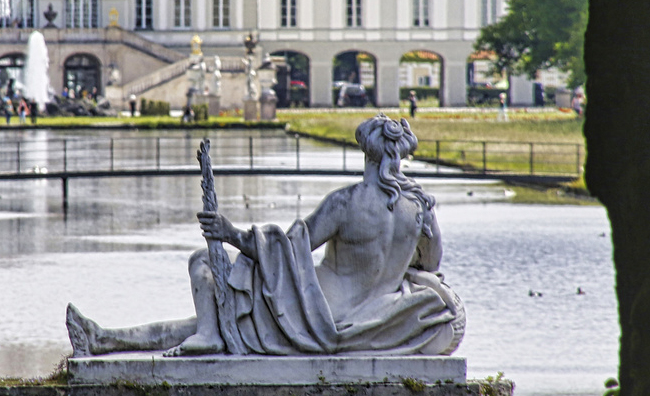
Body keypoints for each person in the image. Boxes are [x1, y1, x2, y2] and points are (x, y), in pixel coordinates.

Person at [67, 114, 465, 358]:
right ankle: (105, 339)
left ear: (367, 155)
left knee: (205, 265)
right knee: (224, 317)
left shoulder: (347, 203)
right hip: (371, 314)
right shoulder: (422, 208)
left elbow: (291, 248)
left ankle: (182, 337)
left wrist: (231, 234)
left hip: (313, 314)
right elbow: (429, 267)